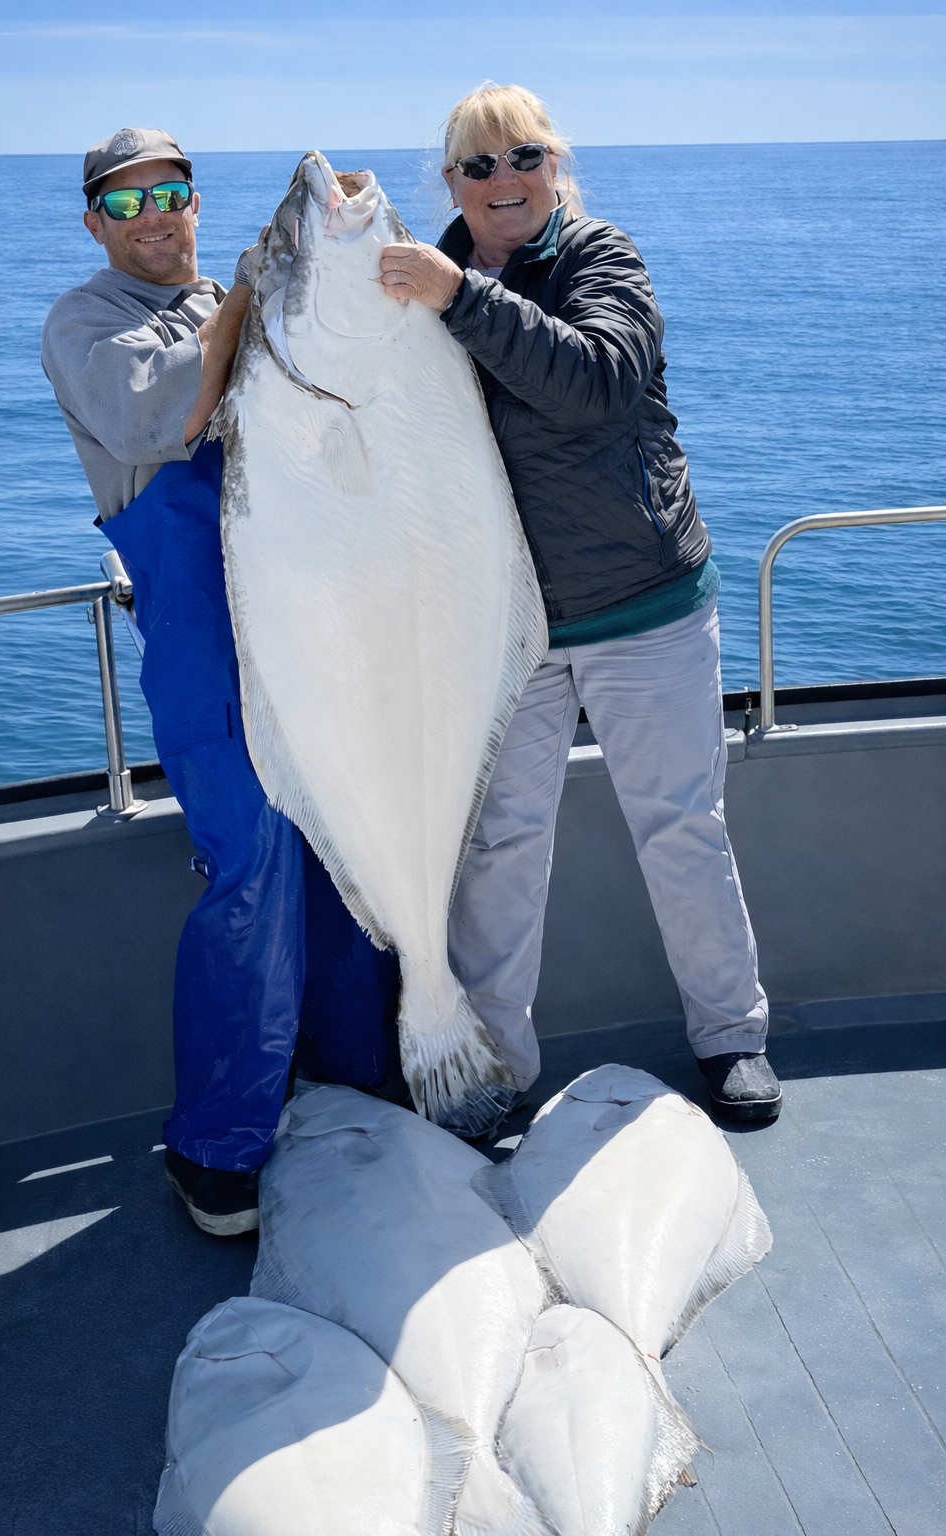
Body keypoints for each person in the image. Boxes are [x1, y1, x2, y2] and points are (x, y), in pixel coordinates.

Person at [379, 84, 781, 1123]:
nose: (502, 181)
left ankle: (731, 1035)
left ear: (556, 164)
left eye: (522, 157)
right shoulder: (426, 290)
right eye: (477, 166)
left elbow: (598, 379)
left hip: (643, 603)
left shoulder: (602, 258)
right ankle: (495, 1069)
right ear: (451, 183)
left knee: (681, 829)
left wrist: (458, 299)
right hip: (506, 630)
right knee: (500, 848)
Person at [42, 128, 401, 1237]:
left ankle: (355, 1081)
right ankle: (217, 1146)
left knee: (345, 857)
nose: (156, 211)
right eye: (128, 197)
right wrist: (253, 293)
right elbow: (162, 416)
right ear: (96, 222)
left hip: (313, 624)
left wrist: (339, 264)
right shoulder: (86, 322)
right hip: (206, 642)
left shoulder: (248, 301)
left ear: (199, 203)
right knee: (250, 865)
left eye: (174, 191)